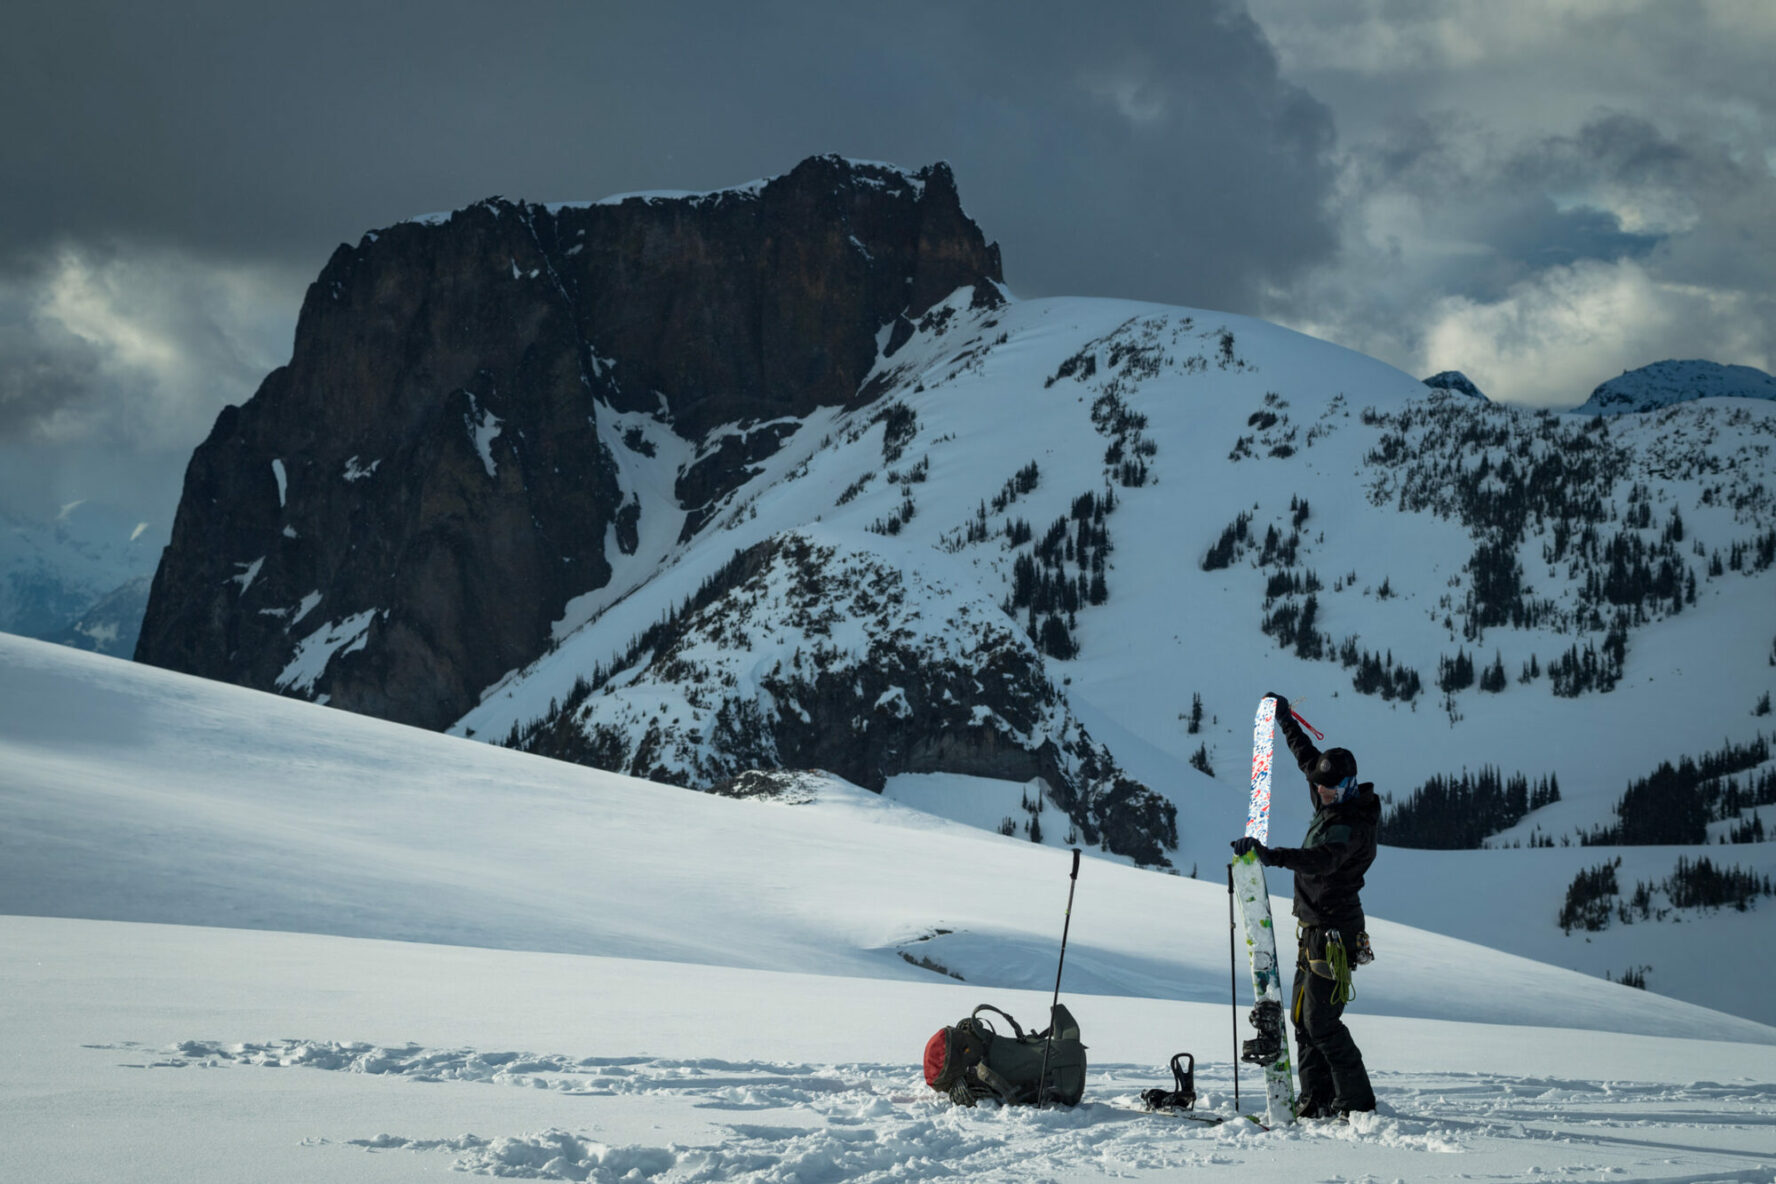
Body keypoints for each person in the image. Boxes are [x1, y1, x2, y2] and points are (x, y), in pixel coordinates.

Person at [1231, 692, 1378, 1119]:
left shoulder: (1352, 825)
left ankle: (1357, 1102)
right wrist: (1283, 717)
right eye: (1320, 788)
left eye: (1330, 791)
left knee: (1323, 1024)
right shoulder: (1332, 793)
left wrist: (1269, 855)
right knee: (1301, 1019)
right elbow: (1306, 757)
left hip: (1336, 933)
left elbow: (1321, 861)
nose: (1322, 795)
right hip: (1315, 930)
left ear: (1348, 787)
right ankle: (1316, 1098)